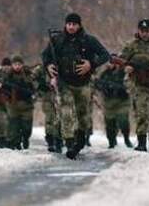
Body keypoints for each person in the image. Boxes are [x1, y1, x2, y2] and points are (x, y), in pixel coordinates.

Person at [42, 12, 110, 160]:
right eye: (69, 24)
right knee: (66, 112)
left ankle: (79, 141)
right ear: (65, 25)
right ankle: (69, 143)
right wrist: (48, 66)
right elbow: (45, 56)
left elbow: (105, 55)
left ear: (79, 25)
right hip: (64, 82)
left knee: (83, 116)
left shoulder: (88, 40)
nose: (71, 27)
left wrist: (91, 64)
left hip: (83, 83)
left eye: (74, 24)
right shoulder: (57, 40)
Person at [120, 19, 149, 151]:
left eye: (147, 31)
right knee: (142, 112)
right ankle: (141, 141)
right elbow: (122, 59)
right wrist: (127, 67)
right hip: (140, 84)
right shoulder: (131, 45)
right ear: (138, 31)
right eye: (142, 31)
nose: (144, 33)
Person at [0, 55, 35, 150]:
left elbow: (32, 89)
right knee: (14, 127)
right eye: (15, 64)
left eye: (19, 64)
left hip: (26, 106)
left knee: (27, 128)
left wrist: (19, 89)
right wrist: (3, 87)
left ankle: (25, 139)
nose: (17, 66)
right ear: (12, 65)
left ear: (22, 65)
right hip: (13, 106)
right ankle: (16, 144)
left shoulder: (27, 74)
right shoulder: (7, 76)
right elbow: (4, 90)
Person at [94, 63, 132, 148]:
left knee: (123, 120)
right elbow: (98, 84)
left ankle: (126, 139)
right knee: (109, 123)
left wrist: (120, 88)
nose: (109, 65)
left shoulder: (123, 72)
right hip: (109, 102)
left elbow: (129, 84)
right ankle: (111, 142)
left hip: (122, 101)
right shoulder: (105, 74)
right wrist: (105, 87)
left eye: (112, 62)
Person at [32, 63, 63, 153]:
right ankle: (51, 141)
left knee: (60, 118)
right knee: (50, 118)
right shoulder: (41, 68)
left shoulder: (62, 63)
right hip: (47, 96)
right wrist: (40, 86)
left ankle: (59, 140)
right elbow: (32, 78)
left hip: (61, 95)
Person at [0, 58, 12, 148]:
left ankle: (9, 140)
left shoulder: (13, 74)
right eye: (5, 66)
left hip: (11, 101)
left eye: (8, 66)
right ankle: (1, 140)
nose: (6, 68)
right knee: (1, 122)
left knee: (10, 122)